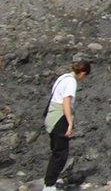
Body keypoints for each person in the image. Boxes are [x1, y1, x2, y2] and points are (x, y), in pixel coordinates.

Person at [43, 60, 91, 191]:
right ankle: (49, 185)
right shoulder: (71, 81)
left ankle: (49, 181)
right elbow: (66, 102)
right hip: (60, 118)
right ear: (82, 73)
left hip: (51, 117)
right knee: (61, 153)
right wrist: (70, 123)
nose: (84, 78)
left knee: (56, 151)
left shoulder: (62, 77)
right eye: (85, 75)